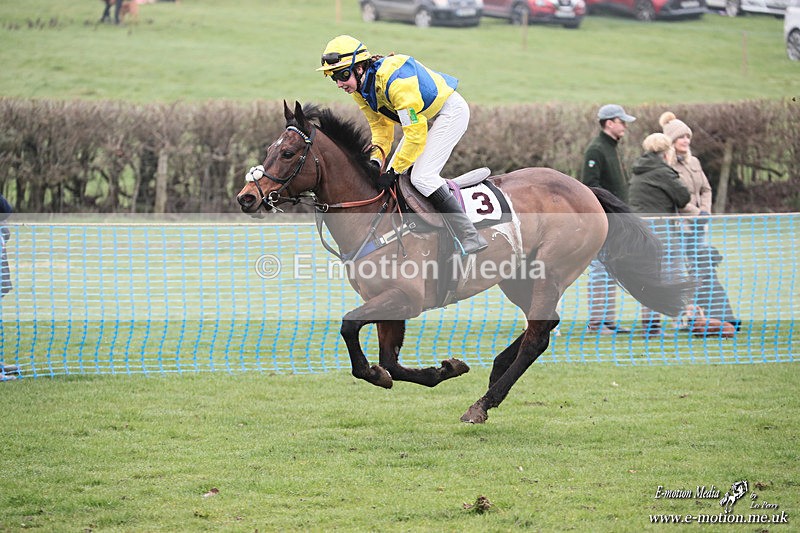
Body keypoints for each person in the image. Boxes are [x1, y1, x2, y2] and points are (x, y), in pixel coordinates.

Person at [316, 35, 487, 255]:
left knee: (421, 177)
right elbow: (381, 130)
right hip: (421, 120)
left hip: (449, 113)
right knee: (390, 176)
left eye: (343, 75)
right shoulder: (361, 89)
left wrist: (395, 170)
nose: (340, 84)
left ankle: (468, 234)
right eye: (334, 78)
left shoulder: (396, 81)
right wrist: (376, 162)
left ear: (359, 68)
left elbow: (415, 133)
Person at [659, 111, 740, 330]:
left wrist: (704, 212)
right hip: (680, 227)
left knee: (701, 271)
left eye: (687, 137)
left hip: (699, 225)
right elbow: (675, 197)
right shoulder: (666, 166)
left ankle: (707, 315)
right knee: (680, 273)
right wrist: (695, 214)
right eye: (681, 137)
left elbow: (706, 188)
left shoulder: (694, 161)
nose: (685, 140)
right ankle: (682, 317)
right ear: (671, 142)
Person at [579, 104, 636, 334]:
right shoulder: (596, 149)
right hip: (605, 220)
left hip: (617, 220)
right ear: (609, 123)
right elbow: (591, 186)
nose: (625, 125)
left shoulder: (612, 147)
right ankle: (596, 323)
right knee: (600, 271)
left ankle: (608, 321)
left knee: (611, 269)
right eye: (621, 121)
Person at [628, 133, 691, 336]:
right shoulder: (663, 171)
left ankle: (650, 325)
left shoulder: (639, 169)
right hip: (662, 232)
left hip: (640, 232)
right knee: (675, 275)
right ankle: (679, 320)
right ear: (666, 152)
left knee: (650, 277)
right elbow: (683, 197)